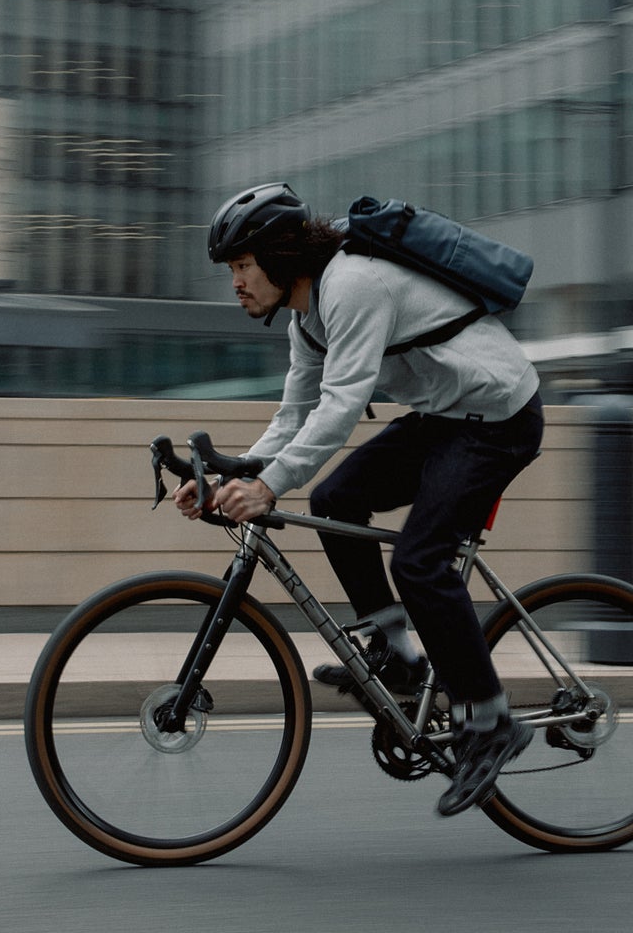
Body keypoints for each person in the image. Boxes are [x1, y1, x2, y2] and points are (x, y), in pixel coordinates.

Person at [173, 182, 545, 817]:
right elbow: (295, 416)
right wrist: (227, 474)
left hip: (497, 419)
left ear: (278, 254)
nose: (235, 282)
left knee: (418, 562)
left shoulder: (352, 286)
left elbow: (342, 407)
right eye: (232, 270)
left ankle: (490, 720)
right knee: (334, 498)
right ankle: (396, 656)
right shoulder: (307, 318)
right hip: (445, 416)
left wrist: (266, 488)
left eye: (241, 266)